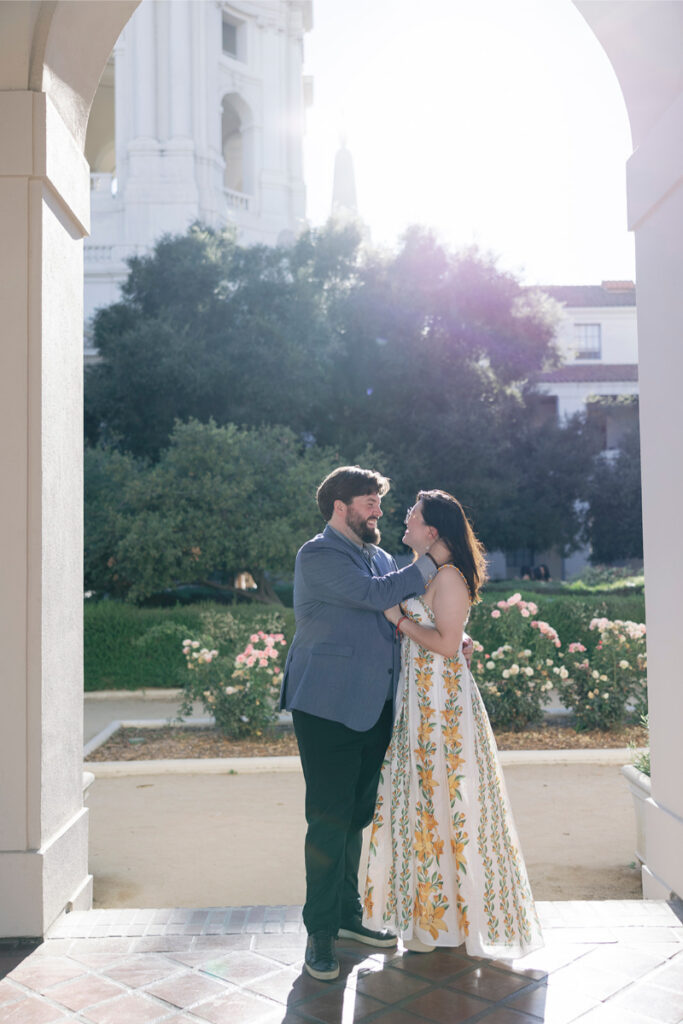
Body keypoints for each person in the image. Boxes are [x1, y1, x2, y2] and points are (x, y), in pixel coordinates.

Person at [280, 466, 458, 982]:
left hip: (375, 706)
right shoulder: (316, 556)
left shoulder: (378, 555)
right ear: (341, 505)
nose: (378, 510)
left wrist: (451, 636)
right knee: (328, 817)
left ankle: (347, 917)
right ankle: (319, 932)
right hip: (327, 707)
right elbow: (377, 595)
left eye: (379, 502)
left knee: (356, 814)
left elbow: (401, 609)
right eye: (369, 501)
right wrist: (433, 558)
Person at [363, 490, 543, 960]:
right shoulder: (432, 574)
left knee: (445, 802)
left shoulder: (447, 576)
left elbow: (444, 645)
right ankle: (429, 919)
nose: (405, 521)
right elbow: (452, 636)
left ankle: (444, 925)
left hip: (441, 709)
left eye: (413, 517)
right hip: (421, 704)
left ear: (433, 530)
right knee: (424, 803)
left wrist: (399, 621)